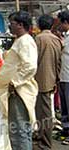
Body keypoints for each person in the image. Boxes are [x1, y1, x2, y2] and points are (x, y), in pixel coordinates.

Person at [0, 11, 38, 150]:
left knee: (20, 131)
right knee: (18, 130)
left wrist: (14, 82)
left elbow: (30, 66)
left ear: (20, 25)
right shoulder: (20, 40)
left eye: (12, 23)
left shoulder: (25, 41)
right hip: (16, 90)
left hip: (19, 91)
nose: (9, 26)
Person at [33, 14, 63, 150]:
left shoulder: (38, 39)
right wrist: (56, 78)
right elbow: (59, 62)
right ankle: (43, 138)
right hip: (51, 79)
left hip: (40, 80)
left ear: (39, 25)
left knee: (43, 113)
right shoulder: (56, 40)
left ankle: (45, 143)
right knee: (45, 112)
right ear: (51, 26)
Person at [57, 10, 69, 145]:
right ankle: (66, 130)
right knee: (64, 106)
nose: (59, 25)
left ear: (66, 22)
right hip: (63, 76)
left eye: (60, 23)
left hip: (68, 76)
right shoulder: (65, 36)